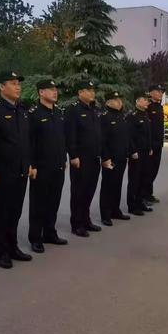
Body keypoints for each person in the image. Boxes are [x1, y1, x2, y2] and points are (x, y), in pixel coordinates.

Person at [0, 71, 33, 269]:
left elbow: (27, 142)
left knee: (15, 211)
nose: (18, 87)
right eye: (13, 83)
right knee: (2, 211)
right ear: (1, 87)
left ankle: (13, 247)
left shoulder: (22, 110)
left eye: (18, 83)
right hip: (2, 171)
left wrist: (29, 163)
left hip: (21, 169)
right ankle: (2, 251)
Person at [28, 79, 68, 253]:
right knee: (39, 203)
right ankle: (36, 237)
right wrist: (32, 164)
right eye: (50, 89)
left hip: (58, 165)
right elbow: (30, 141)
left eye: (55, 89)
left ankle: (50, 233)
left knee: (54, 201)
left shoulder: (58, 112)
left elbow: (61, 139)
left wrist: (63, 158)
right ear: (41, 92)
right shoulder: (34, 113)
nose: (55, 92)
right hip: (41, 167)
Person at [64, 80, 104, 237]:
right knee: (79, 191)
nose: (92, 93)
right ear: (80, 92)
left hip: (94, 157)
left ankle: (86, 220)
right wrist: (73, 155)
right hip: (81, 158)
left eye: (93, 90)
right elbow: (70, 134)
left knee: (90, 190)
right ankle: (77, 223)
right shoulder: (73, 110)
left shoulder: (94, 110)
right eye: (88, 90)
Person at [99, 91, 131, 226]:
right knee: (108, 186)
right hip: (111, 158)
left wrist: (128, 153)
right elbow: (102, 140)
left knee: (117, 185)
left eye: (120, 99)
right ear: (107, 102)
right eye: (115, 99)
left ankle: (115, 210)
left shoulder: (121, 116)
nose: (119, 102)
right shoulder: (104, 117)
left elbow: (125, 137)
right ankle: (105, 214)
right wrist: (105, 158)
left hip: (122, 157)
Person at [127, 91, 153, 216]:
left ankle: (140, 201)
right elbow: (130, 136)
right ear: (137, 101)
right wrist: (132, 151)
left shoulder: (145, 115)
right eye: (144, 100)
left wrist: (150, 148)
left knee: (143, 178)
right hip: (136, 153)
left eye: (147, 100)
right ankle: (132, 205)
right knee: (134, 179)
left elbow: (147, 134)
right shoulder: (133, 116)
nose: (147, 102)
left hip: (145, 152)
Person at [144, 84, 165, 204]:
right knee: (147, 171)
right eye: (158, 91)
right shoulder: (148, 106)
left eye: (161, 91)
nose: (161, 93)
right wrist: (149, 145)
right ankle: (143, 195)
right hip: (150, 145)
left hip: (158, 144)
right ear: (151, 93)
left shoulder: (159, 107)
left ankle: (149, 193)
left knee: (154, 170)